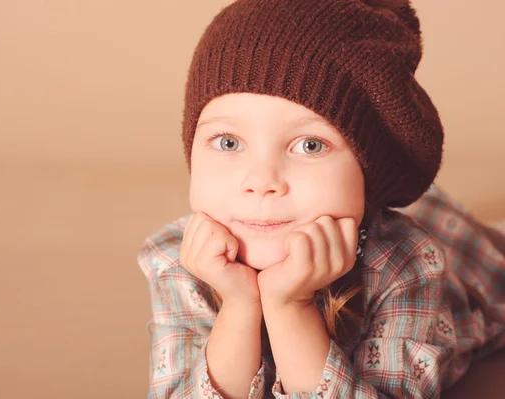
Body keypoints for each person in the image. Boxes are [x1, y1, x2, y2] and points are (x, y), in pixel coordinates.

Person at [137, 0, 505, 397]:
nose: (261, 181)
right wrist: (238, 306)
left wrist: (290, 306)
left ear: (367, 170)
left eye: (310, 145)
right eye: (228, 142)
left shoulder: (407, 264)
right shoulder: (175, 259)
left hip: (465, 259)